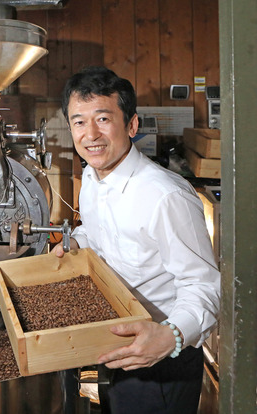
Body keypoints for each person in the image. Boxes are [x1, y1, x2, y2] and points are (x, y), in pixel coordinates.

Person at [52, 66, 220, 414]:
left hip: (161, 358)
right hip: (113, 340)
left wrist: (170, 337)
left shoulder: (165, 196)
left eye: (103, 118)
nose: (90, 134)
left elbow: (205, 286)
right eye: (79, 121)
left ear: (131, 125)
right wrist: (77, 243)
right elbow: (97, 231)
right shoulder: (92, 175)